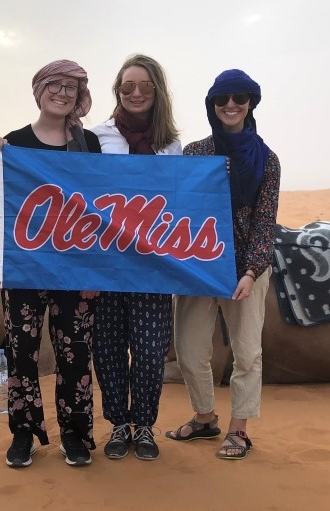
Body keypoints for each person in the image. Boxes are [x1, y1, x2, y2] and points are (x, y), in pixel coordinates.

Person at [0, 60, 100, 468]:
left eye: (72, 87)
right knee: (22, 352)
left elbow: (101, 212)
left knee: (75, 353)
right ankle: (23, 433)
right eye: (55, 85)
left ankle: (75, 433)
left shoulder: (89, 146)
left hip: (76, 268)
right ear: (39, 89)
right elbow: (2, 212)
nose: (63, 93)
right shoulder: (13, 145)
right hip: (24, 267)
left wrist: (97, 270)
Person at [166, 69, 280, 460]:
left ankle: (240, 429)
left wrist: (251, 271)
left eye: (239, 97)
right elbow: (179, 208)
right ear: (212, 106)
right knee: (189, 349)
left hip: (244, 269)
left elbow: (266, 220)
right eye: (222, 99)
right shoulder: (195, 153)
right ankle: (204, 418)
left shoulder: (267, 160)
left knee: (247, 352)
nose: (230, 105)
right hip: (198, 265)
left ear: (250, 102)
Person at [89, 54, 181, 461]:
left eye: (144, 86)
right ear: (117, 91)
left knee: (148, 352)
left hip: (152, 266)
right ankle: (117, 426)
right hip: (105, 264)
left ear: (157, 91)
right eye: (128, 86)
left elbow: (181, 203)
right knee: (107, 350)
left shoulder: (172, 145)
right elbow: (80, 193)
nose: (136, 93)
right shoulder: (97, 138)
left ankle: (143, 424)